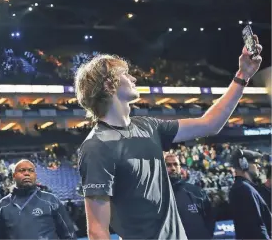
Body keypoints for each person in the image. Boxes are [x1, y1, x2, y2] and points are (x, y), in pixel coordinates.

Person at [75, 35, 262, 239]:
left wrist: (243, 75)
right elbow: (96, 230)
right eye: (126, 75)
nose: (134, 78)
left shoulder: (148, 125)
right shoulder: (96, 146)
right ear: (109, 85)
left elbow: (210, 124)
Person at [0, 159, 76, 239]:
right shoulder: (2, 206)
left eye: (31, 171)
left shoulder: (51, 201)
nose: (27, 173)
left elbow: (69, 234)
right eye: (22, 170)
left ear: (35, 175)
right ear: (14, 176)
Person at [165, 153, 214, 239]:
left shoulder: (196, 192)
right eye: (168, 165)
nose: (173, 168)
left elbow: (210, 219)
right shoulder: (156, 195)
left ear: (180, 168)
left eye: (175, 164)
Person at [229, 149, 271, 239]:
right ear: (244, 164)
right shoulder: (243, 189)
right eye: (255, 163)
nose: (259, 166)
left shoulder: (246, 188)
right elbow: (256, 226)